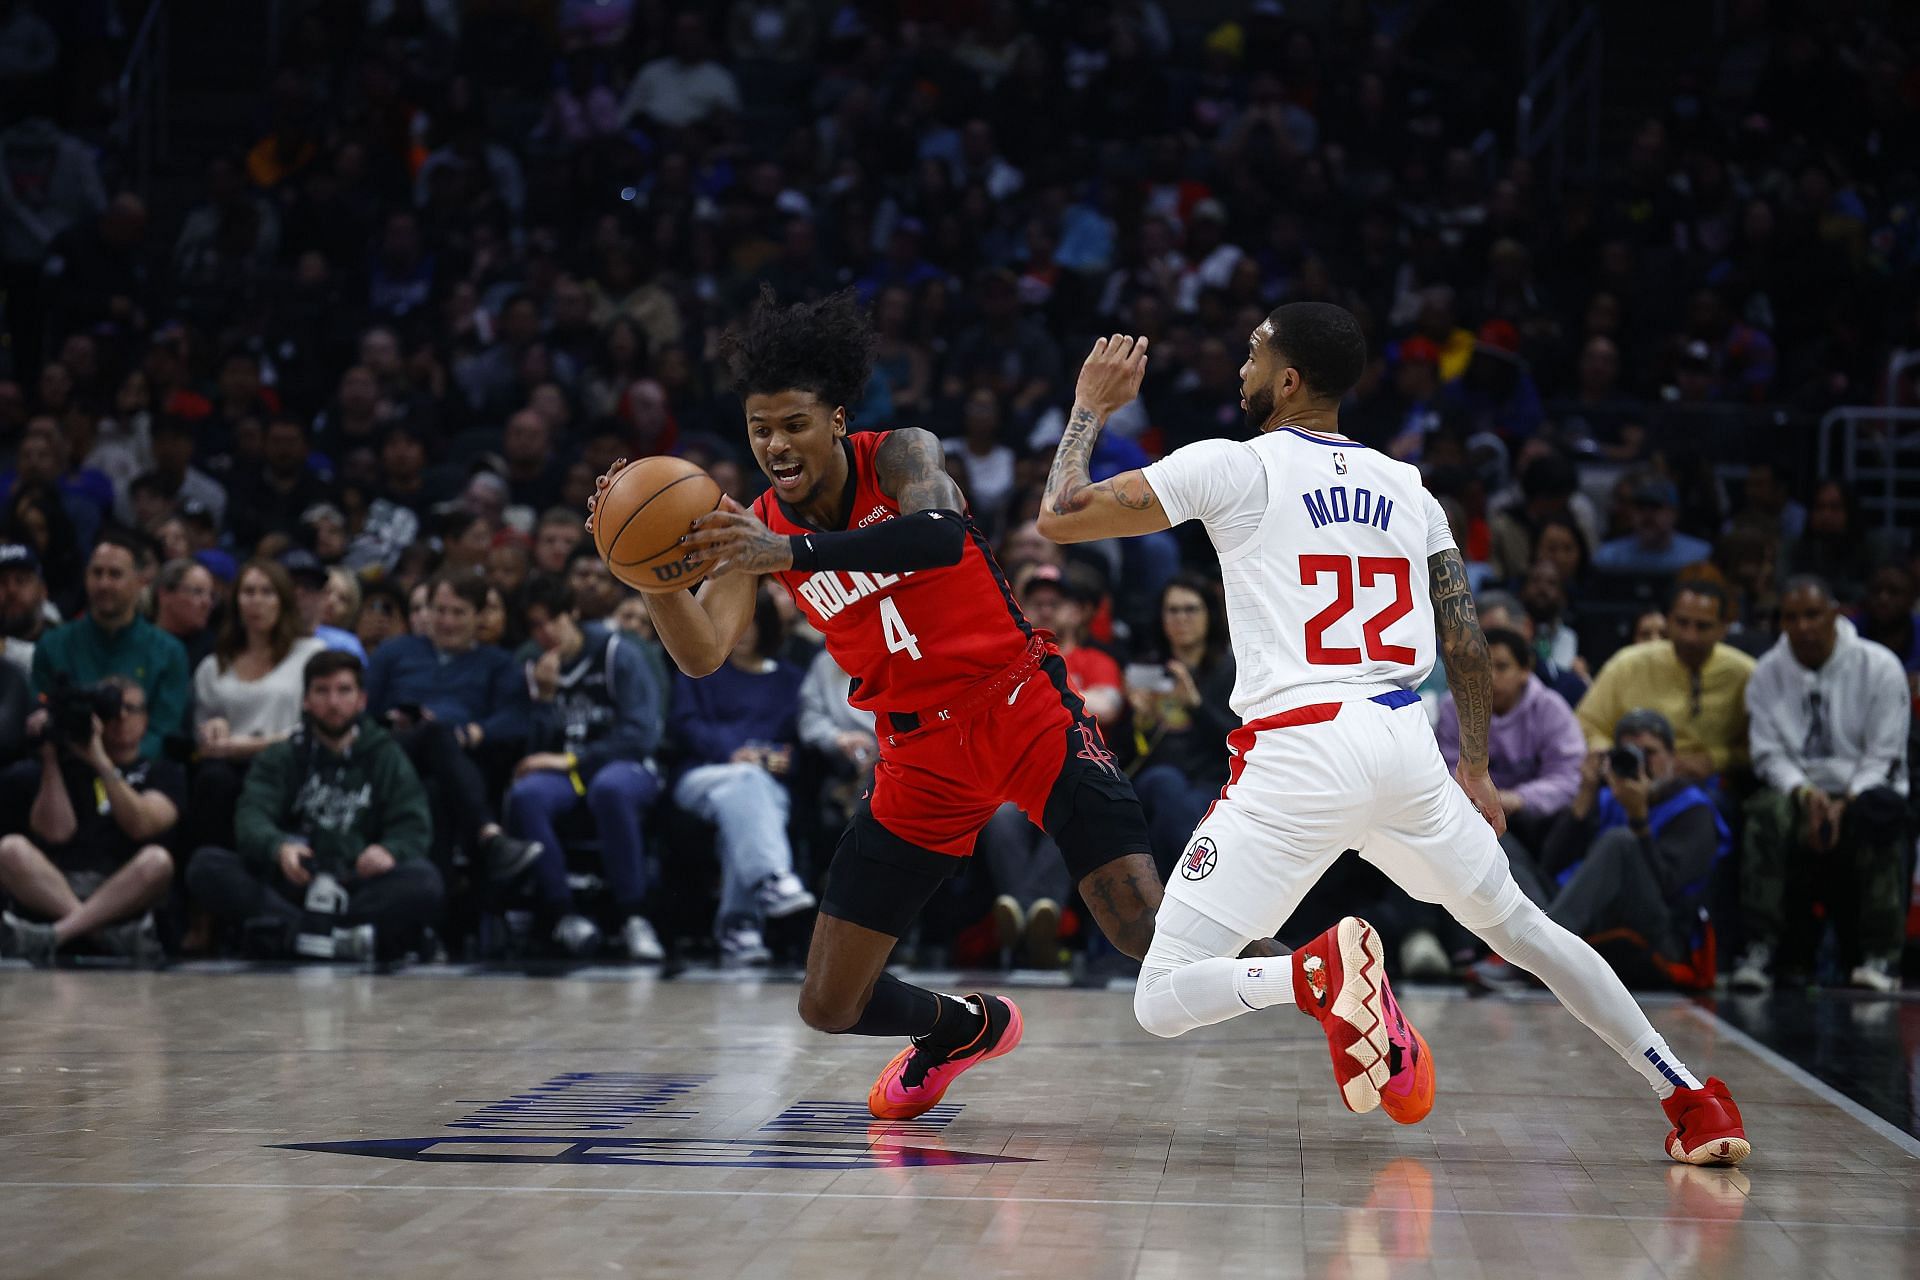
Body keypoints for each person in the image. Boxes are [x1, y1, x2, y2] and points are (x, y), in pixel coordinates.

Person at [1035, 306, 1748, 1164]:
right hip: (1405, 743)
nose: (1240, 369)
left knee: (1161, 995)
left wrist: (1090, 407)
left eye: (1254, 354)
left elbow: (1062, 516)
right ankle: (1691, 1098)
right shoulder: (1409, 487)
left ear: (1289, 380)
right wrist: (1475, 767)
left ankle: (1309, 975)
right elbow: (1464, 636)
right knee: (1526, 931)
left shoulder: (1234, 465)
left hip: (1299, 750)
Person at [600, 289, 1209, 1124]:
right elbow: (702, 653)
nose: (775, 444)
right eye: (759, 429)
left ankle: (1323, 978)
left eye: (793, 424)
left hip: (1020, 708)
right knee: (829, 1004)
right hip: (918, 757)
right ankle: (963, 1026)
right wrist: (649, 574)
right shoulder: (756, 529)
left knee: (1144, 931)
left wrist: (792, 550)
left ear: (838, 420)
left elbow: (940, 537)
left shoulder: (899, 456)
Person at [187, 652, 444, 961]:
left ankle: (295, 935)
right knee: (205, 865)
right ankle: (333, 937)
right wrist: (278, 848)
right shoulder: (280, 756)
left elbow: (413, 822)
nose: (333, 702)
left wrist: (389, 851)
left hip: (355, 883)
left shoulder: (385, 755)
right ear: (306, 700)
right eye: (322, 691)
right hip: (294, 883)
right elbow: (251, 817)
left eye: (344, 690)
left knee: (425, 881)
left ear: (362, 700)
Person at [1732, 577, 1911, 993]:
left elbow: (1886, 755)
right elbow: (1768, 754)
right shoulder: (1766, 674)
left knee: (1881, 814)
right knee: (1764, 811)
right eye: (1791, 617)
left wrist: (1845, 801)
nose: (1803, 626)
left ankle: (1880, 957)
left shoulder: (1879, 666)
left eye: (1813, 614)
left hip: (1862, 790)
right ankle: (1759, 949)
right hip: (1801, 793)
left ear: (1835, 614)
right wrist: (1806, 794)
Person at [1473, 709, 1729, 991]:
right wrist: (1584, 797)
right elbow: (1549, 868)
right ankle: (1530, 948)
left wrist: (1639, 819)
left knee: (1619, 842)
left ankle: (1533, 955)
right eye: (1630, 754)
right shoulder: (1607, 798)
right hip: (1590, 920)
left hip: (1661, 933)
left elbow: (1668, 888)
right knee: (1499, 839)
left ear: (1672, 758)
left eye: (1650, 753)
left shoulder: (1693, 809)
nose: (1640, 762)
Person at [506, 577, 668, 962]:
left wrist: (575, 760)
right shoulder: (534, 665)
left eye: (551, 621)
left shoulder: (617, 654)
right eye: (534, 626)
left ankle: (634, 917)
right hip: (570, 774)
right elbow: (534, 751)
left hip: (627, 767)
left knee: (608, 789)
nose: (544, 633)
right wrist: (545, 699)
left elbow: (642, 734)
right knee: (526, 794)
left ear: (572, 613)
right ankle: (564, 915)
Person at [667, 591, 816, 962]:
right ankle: (768, 882)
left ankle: (740, 926)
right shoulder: (696, 670)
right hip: (703, 775)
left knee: (747, 806)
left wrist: (783, 760)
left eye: (752, 620)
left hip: (766, 786)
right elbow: (685, 726)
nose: (743, 630)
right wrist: (735, 752)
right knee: (747, 787)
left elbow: (798, 745)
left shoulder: (792, 680)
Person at [365, 573, 541, 888]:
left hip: (457, 762)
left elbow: (516, 720)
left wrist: (476, 731)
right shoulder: (394, 652)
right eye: (439, 610)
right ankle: (489, 834)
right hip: (393, 754)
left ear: (478, 617)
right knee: (433, 733)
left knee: (435, 788)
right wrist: (391, 720)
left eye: (458, 612)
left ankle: (437, 914)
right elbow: (361, 709)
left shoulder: (497, 663)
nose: (446, 621)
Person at [0, 677, 177, 966]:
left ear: (145, 720)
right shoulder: (67, 766)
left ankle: (53, 936)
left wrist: (101, 762)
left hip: (122, 885)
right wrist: (51, 759)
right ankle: (109, 937)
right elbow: (55, 833)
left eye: (129, 708)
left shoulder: (162, 772)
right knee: (9, 849)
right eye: (111, 709)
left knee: (157, 862)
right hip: (61, 884)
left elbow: (141, 825)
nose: (120, 717)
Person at [190, 560, 328, 850]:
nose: (257, 601)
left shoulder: (310, 655)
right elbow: (201, 737)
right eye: (248, 592)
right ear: (236, 601)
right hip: (227, 771)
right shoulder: (213, 666)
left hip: (289, 765)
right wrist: (212, 729)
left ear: (283, 601)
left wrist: (248, 746)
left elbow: (320, 730)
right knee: (213, 780)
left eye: (267, 592)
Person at [30, 531, 189, 760]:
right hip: (68, 762)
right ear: (85, 578)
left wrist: (116, 764)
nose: (104, 583)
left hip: (139, 771)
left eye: (115, 574)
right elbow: (39, 712)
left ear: (139, 582)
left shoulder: (169, 652)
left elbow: (163, 732)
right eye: (97, 573)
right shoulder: (52, 644)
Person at [1576, 582, 1755, 783]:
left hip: (1708, 783)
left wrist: (1716, 759)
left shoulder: (1745, 673)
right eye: (1682, 623)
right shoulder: (1627, 664)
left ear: (1723, 628)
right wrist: (1622, 758)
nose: (1690, 636)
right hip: (1629, 777)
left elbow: (1760, 746)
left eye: (1702, 626)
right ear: (1668, 620)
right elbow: (1587, 726)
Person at [1126, 573, 1237, 876]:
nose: (1181, 618)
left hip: (1212, 780)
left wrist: (1196, 705)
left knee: (1182, 803)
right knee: (1165, 783)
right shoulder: (1146, 668)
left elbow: (1236, 743)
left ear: (1208, 615)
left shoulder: (1231, 670)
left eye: (1190, 609)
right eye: (1172, 610)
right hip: (1155, 778)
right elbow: (1124, 752)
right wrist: (1139, 719)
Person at [1593, 476, 1713, 576]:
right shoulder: (1608, 557)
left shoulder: (1699, 557)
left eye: (1655, 507)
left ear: (1674, 514)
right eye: (1640, 507)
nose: (1647, 515)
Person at [152, 557, 219, 671]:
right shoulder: (138, 642)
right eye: (197, 592)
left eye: (211, 595)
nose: (207, 603)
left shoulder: (215, 651)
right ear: (164, 595)